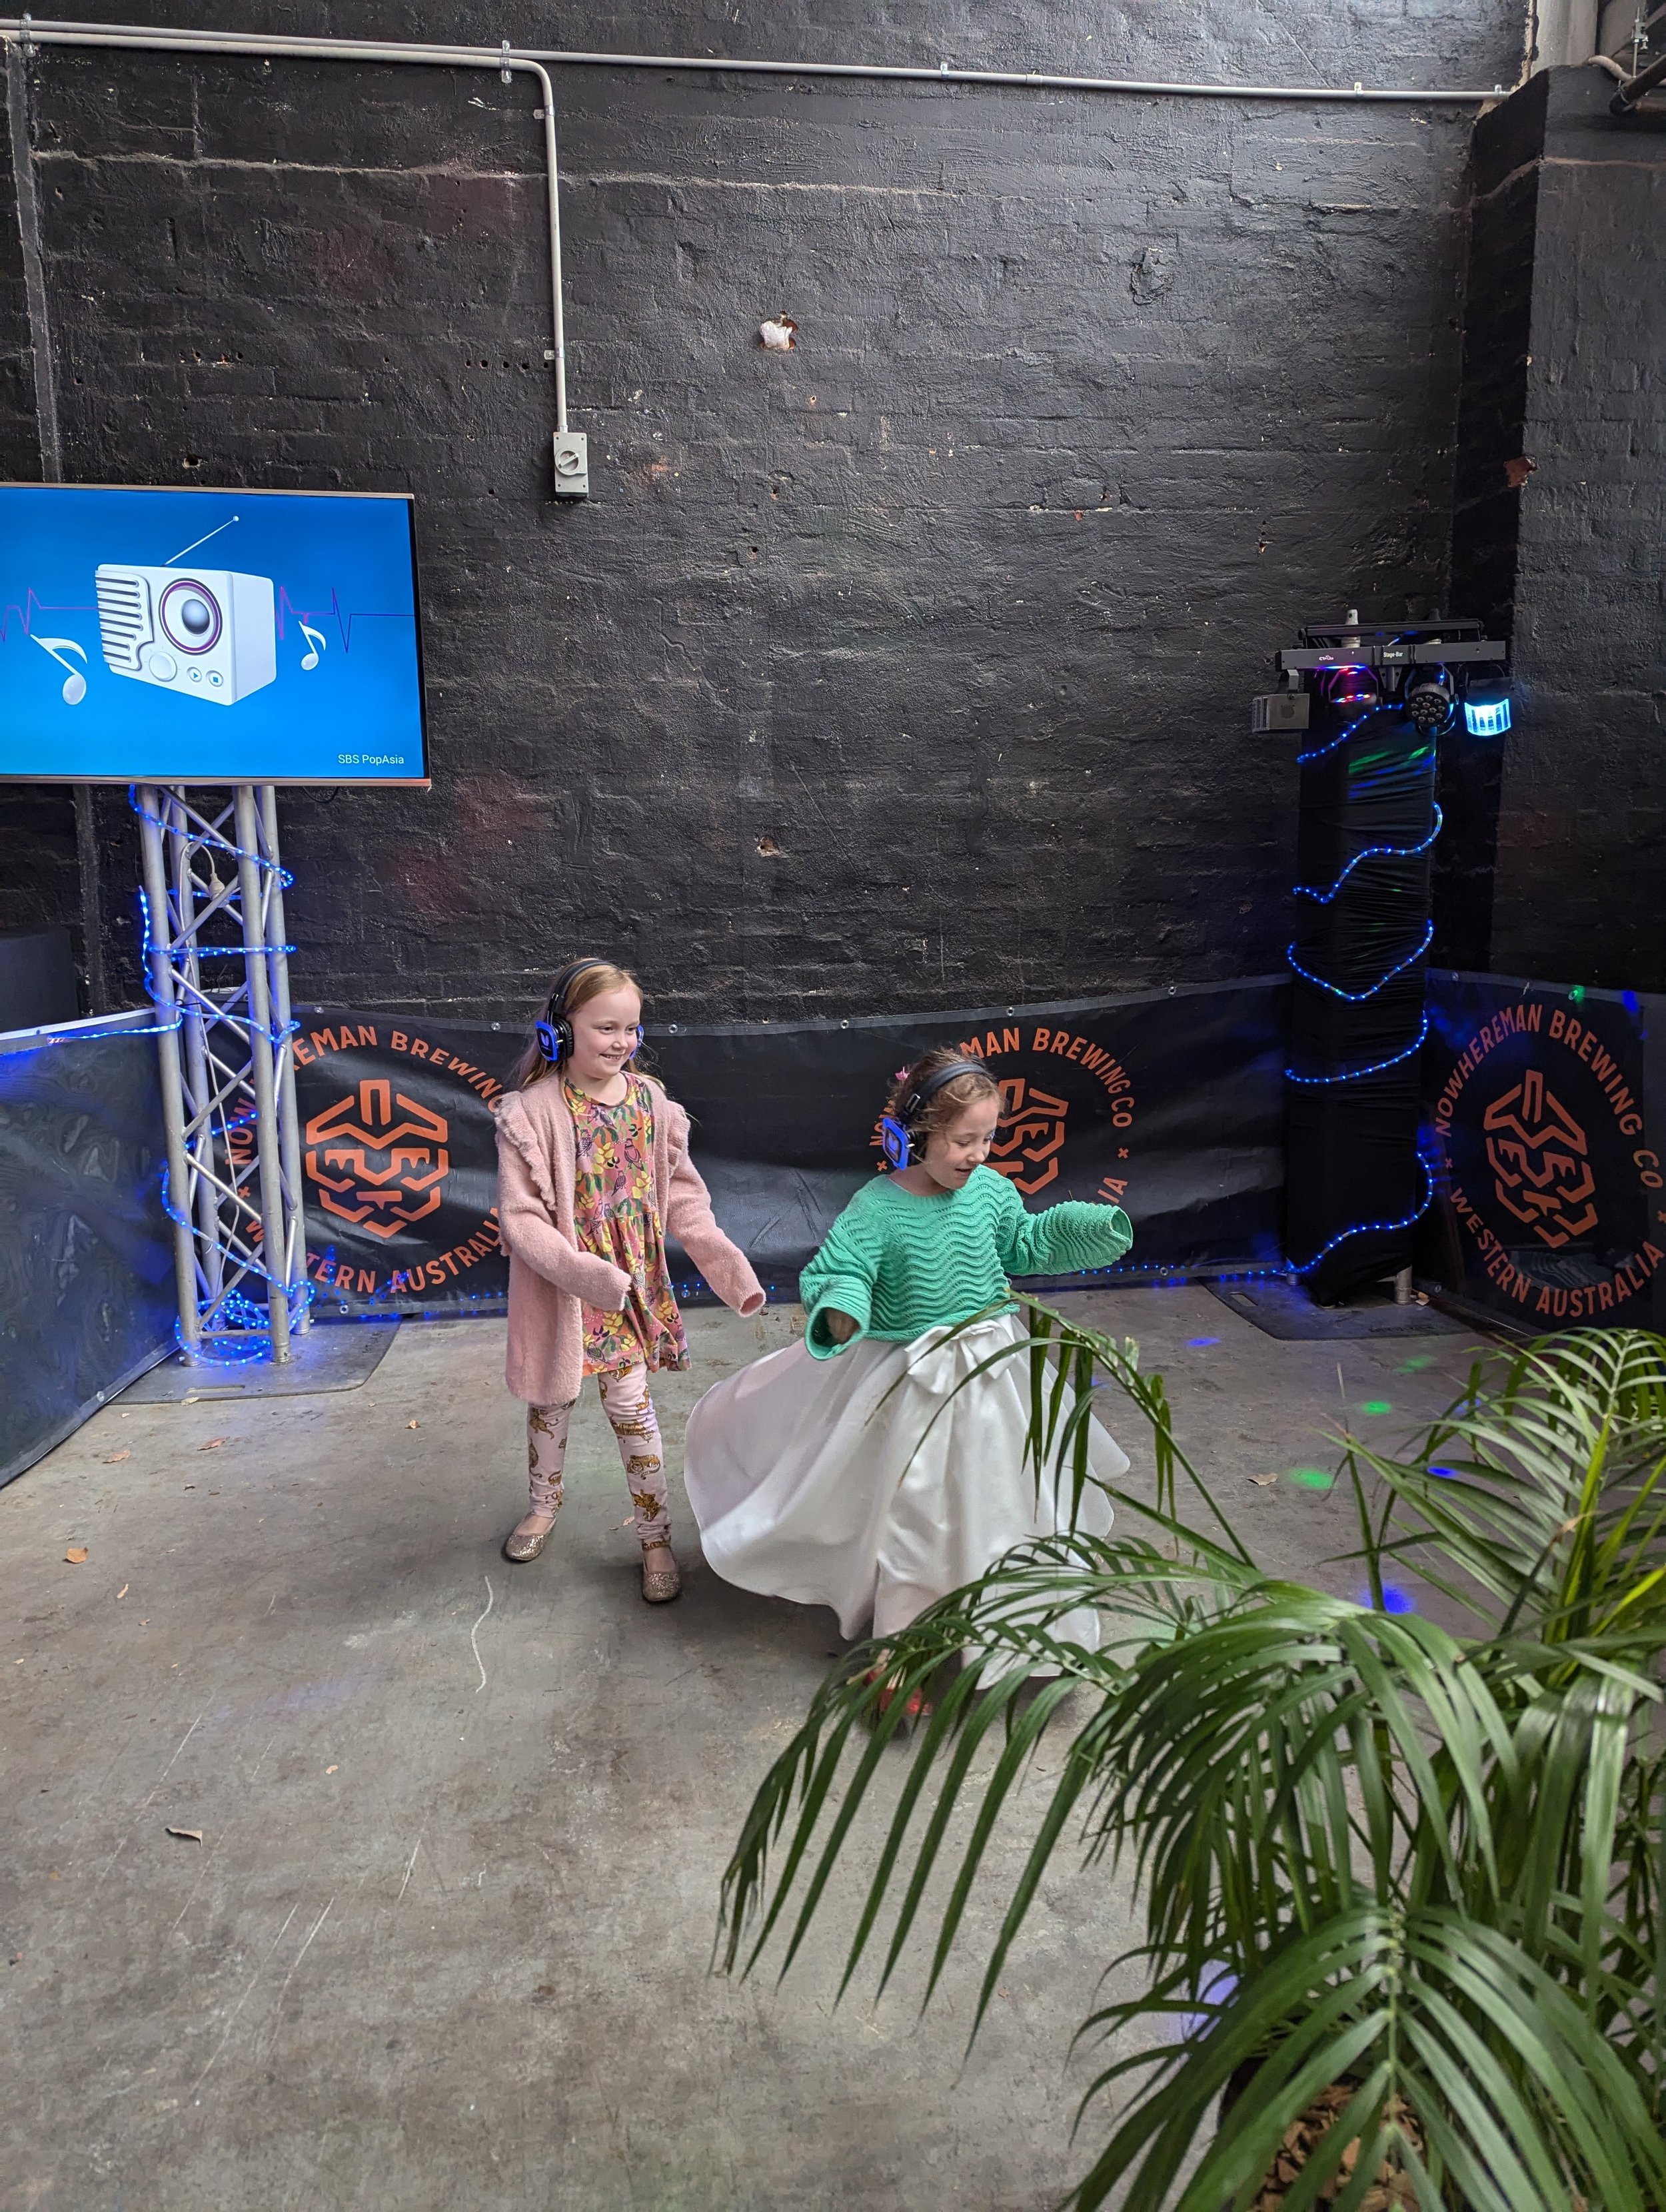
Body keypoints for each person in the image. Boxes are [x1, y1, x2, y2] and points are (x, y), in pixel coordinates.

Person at [683, 1048, 1134, 1669]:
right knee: (914, 1512)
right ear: (917, 1134)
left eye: (988, 1138)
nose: (977, 1154)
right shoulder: (878, 1206)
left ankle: (1012, 1620)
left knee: (1004, 1497)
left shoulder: (992, 1192)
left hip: (994, 1373)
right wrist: (842, 1304)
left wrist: (1082, 1229)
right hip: (911, 1380)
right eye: (961, 1141)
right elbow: (844, 1268)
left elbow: (1023, 1243)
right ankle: (899, 1646)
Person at [494, 958, 764, 1600]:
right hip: (566, 1292)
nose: (620, 1042)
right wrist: (583, 1273)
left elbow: (682, 1196)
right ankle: (542, 1505)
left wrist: (724, 1261)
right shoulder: (530, 1113)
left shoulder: (652, 1103)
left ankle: (655, 1536)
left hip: (629, 1293)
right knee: (551, 1404)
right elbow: (522, 1219)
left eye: (631, 1030)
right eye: (605, 1028)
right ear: (562, 1030)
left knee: (634, 1413)